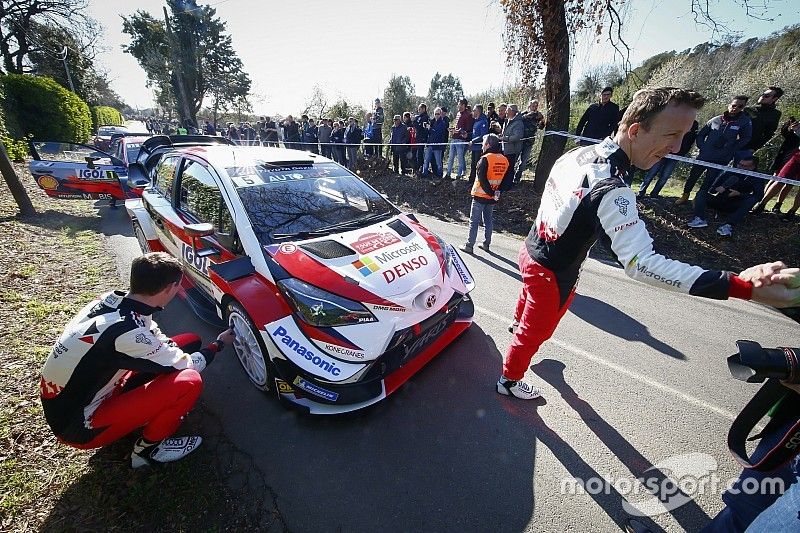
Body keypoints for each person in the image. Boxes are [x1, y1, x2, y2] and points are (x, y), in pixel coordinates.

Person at [498, 87, 800, 400]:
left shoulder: (578, 153)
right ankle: (509, 379)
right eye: (672, 134)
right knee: (538, 332)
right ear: (635, 130)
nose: (678, 147)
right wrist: (742, 287)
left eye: (684, 135)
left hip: (532, 251)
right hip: (552, 272)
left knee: (527, 309)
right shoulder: (612, 189)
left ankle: (516, 327)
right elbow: (641, 264)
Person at [39, 252, 235, 467]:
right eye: (178, 286)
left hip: (79, 395)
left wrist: (168, 351)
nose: (179, 290)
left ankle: (139, 412)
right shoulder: (126, 333)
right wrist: (218, 345)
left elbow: (151, 330)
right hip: (80, 426)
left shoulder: (118, 300)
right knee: (189, 381)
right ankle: (147, 452)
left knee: (188, 341)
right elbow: (187, 365)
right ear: (169, 288)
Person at [679, 96, 752, 209]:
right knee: (693, 177)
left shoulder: (744, 122)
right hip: (704, 155)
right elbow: (701, 134)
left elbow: (746, 138)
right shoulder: (716, 119)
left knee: (709, 181)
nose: (735, 108)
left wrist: (731, 149)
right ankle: (685, 195)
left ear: (743, 107)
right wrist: (702, 146)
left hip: (721, 158)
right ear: (729, 105)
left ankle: (698, 200)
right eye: (734, 105)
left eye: (740, 106)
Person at [692, 153, 763, 237]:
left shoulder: (757, 178)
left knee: (751, 200)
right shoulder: (729, 172)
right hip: (720, 200)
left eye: (744, 166)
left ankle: (728, 225)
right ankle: (699, 218)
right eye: (739, 164)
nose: (739, 167)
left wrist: (739, 194)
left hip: (735, 205)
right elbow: (712, 189)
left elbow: (758, 196)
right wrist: (719, 188)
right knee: (702, 192)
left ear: (752, 167)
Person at [460, 134, 508, 254]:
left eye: (483, 143)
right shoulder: (504, 159)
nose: (482, 145)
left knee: (474, 222)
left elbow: (482, 180)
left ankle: (469, 245)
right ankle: (486, 244)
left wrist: (491, 193)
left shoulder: (485, 159)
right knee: (488, 221)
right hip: (492, 197)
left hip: (480, 196)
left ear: (488, 145)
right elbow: (506, 180)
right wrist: (496, 192)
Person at [638, 120, 698, 198]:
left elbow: (691, 140)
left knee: (665, 176)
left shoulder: (695, 124)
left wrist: (683, 152)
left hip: (677, 155)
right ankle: (641, 192)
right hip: (663, 151)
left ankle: (654, 194)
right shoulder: (676, 119)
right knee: (652, 172)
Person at [752, 118, 800, 214]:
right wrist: (793, 129)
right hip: (794, 156)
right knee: (779, 179)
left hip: (794, 154)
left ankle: (790, 212)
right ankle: (761, 204)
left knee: (789, 183)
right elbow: (788, 132)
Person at [743, 86, 783, 151]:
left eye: (767, 96)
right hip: (733, 145)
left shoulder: (775, 114)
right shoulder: (748, 109)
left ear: (774, 99)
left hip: (748, 148)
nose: (762, 97)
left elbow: (769, 134)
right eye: (762, 94)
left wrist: (754, 148)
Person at [445, 98, 475, 180]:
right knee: (450, 157)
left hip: (461, 139)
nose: (460, 106)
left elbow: (468, 129)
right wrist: (452, 129)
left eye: (462, 105)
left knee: (460, 158)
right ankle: (448, 174)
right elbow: (457, 126)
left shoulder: (468, 115)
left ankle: (459, 175)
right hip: (454, 138)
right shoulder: (458, 114)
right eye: (459, 104)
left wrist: (458, 131)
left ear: (465, 106)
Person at [516, 100, 545, 183]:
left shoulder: (538, 115)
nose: (535, 108)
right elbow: (517, 121)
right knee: (514, 159)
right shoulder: (523, 114)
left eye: (536, 106)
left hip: (529, 142)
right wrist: (528, 116)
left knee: (523, 162)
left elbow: (541, 127)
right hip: (519, 140)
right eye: (533, 106)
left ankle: (517, 179)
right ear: (529, 106)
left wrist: (542, 120)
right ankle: (510, 178)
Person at [500, 104, 524, 190]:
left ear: (512, 111)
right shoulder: (507, 120)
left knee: (509, 169)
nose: (505, 111)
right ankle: (504, 185)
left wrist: (505, 138)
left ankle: (507, 186)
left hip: (512, 150)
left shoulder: (518, 123)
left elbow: (517, 136)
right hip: (505, 149)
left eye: (507, 110)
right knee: (505, 168)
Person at [422, 107, 448, 178]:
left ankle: (440, 175)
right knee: (426, 160)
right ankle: (425, 174)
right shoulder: (432, 122)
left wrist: (430, 128)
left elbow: (437, 133)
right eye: (435, 114)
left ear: (440, 114)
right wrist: (426, 128)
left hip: (437, 145)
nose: (437, 115)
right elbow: (429, 133)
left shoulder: (443, 123)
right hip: (430, 144)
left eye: (438, 114)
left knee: (438, 163)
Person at [468, 104, 489, 183]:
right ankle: (471, 181)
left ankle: (477, 182)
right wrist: (468, 134)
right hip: (474, 147)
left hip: (479, 148)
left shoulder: (483, 121)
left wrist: (473, 141)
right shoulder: (476, 121)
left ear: (478, 111)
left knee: (477, 165)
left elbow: (483, 135)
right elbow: (474, 133)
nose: (472, 112)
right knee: (473, 165)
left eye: (474, 110)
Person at [412, 103, 430, 174]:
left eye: (420, 109)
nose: (418, 110)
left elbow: (420, 127)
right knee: (417, 154)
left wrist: (415, 121)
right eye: (418, 109)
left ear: (424, 109)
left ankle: (421, 168)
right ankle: (418, 168)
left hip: (423, 138)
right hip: (418, 138)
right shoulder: (419, 117)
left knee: (421, 154)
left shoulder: (425, 117)